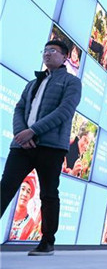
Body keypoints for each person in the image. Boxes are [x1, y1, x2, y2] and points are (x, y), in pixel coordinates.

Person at [0, 40, 82, 255]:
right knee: (5, 188)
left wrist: (33, 131)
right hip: (22, 147)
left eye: (52, 51)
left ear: (64, 57)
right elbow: (19, 109)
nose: (47, 54)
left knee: (48, 193)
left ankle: (47, 242)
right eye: (45, 51)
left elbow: (65, 111)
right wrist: (21, 133)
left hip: (51, 147)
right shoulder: (32, 83)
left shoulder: (72, 82)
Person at [8, 175, 40, 241]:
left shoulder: (31, 223)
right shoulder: (6, 214)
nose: (25, 194)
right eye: (22, 189)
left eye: (28, 192)